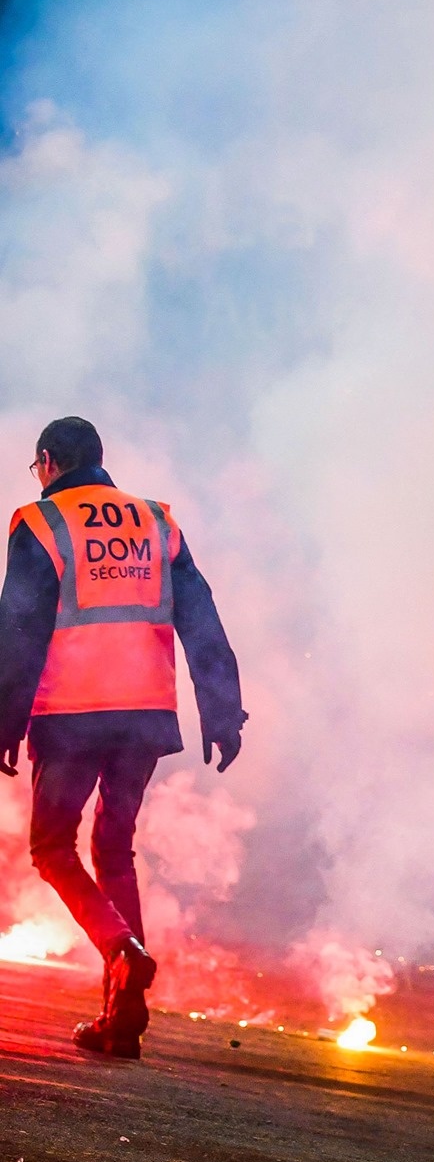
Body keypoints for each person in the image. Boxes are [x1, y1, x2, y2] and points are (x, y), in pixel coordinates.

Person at [0, 417, 244, 1059]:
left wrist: (4, 719)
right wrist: (223, 711)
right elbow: (201, 615)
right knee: (115, 847)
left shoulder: (41, 524)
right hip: (145, 711)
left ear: (48, 462)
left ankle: (121, 951)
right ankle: (123, 1020)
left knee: (53, 847)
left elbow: (19, 633)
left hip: (72, 711)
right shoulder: (157, 522)